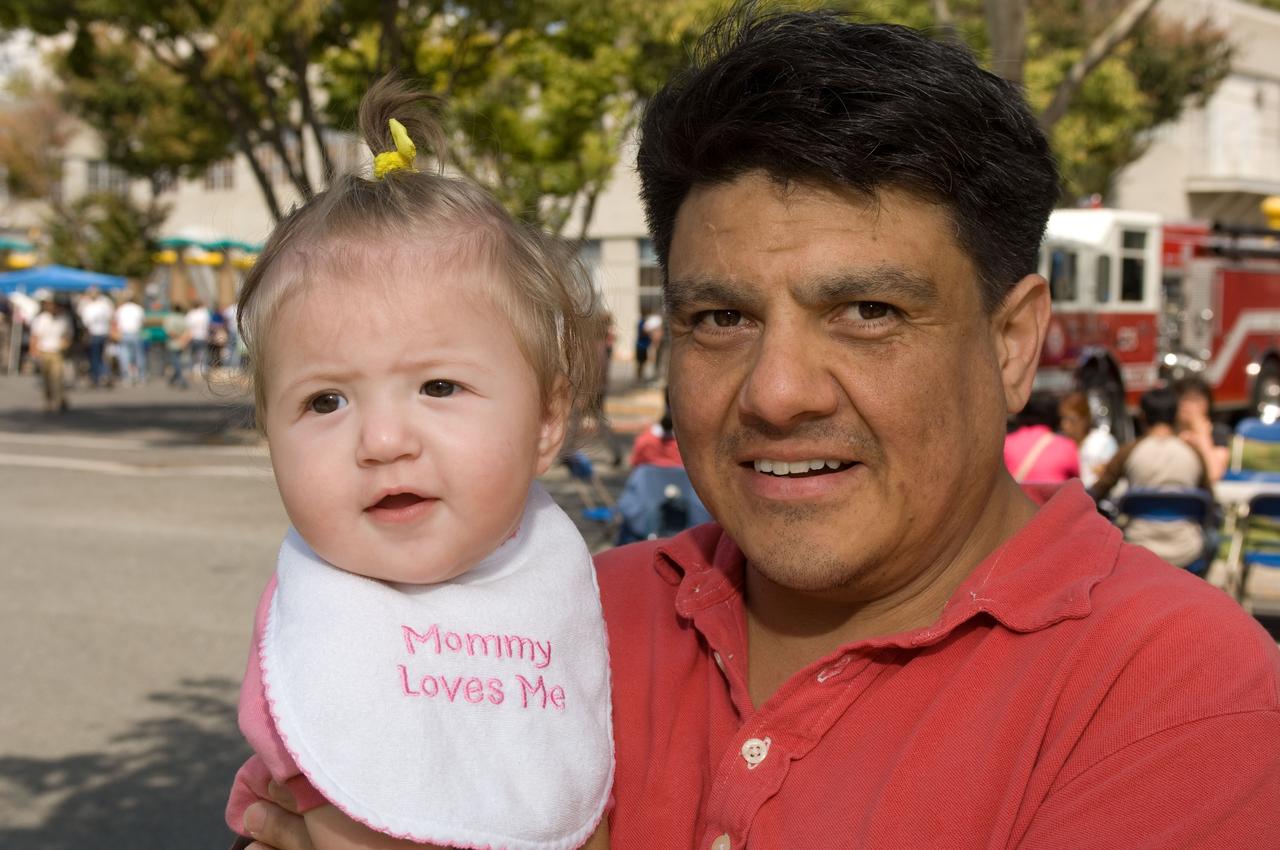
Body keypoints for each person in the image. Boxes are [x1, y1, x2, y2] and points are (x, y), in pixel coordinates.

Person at [245, 9, 1280, 850]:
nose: (777, 393)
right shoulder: (555, 619)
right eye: (720, 318)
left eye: (867, 312)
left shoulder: (1177, 697)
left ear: (1011, 343)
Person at [225, 76, 611, 850]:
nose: (382, 441)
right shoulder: (326, 637)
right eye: (326, 401)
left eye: (438, 387)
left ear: (546, 421)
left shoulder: (571, 591)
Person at [1091, 386, 1212, 569]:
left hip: (1137, 546)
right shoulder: (1192, 453)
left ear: (1143, 416)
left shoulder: (1129, 451)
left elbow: (1097, 492)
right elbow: (1209, 501)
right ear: (1176, 415)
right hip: (1187, 550)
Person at [1002, 390, 1080, 483]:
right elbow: (1076, 484)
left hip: (1016, 492)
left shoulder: (1005, 444)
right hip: (1055, 493)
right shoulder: (1066, 446)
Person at [1173, 375, 1230, 482]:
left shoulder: (1218, 432)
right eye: (1184, 399)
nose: (1188, 405)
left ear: (1208, 404)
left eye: (1195, 400)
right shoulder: (1168, 431)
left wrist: (1202, 437)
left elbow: (1214, 474)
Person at [1057, 391, 1117, 489]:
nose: (1065, 425)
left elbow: (1107, 476)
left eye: (1071, 420)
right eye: (1062, 419)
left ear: (1085, 419)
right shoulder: (1059, 444)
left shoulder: (1102, 441)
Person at [28, 292, 72, 413]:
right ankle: (49, 401)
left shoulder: (64, 319)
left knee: (57, 377)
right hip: (44, 351)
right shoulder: (41, 319)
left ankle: (60, 399)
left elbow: (68, 336)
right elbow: (35, 336)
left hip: (57, 352)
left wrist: (65, 344)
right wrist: (34, 350)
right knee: (46, 378)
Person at [77, 285, 114, 387]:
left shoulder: (89, 306)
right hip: (104, 333)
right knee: (103, 356)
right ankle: (105, 375)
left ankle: (96, 377)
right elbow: (110, 317)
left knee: (95, 357)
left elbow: (85, 322)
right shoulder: (105, 304)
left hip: (94, 334)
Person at [112, 294, 147, 385]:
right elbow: (143, 321)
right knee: (139, 356)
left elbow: (115, 322)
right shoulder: (138, 308)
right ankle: (141, 377)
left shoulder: (121, 309)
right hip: (136, 333)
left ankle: (126, 377)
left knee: (125, 356)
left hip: (124, 334)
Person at [162, 303, 190, 389]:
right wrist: (183, 340)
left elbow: (169, 331)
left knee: (176, 362)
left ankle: (182, 380)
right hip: (182, 342)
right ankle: (172, 380)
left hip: (173, 343)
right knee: (177, 361)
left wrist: (178, 339)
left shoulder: (170, 318)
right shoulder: (183, 318)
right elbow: (188, 331)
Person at [185, 298, 212, 378]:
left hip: (193, 336)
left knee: (192, 354)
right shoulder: (205, 313)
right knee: (203, 354)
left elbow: (187, 325)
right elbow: (208, 324)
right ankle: (202, 370)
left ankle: (192, 370)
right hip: (203, 336)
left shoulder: (190, 314)